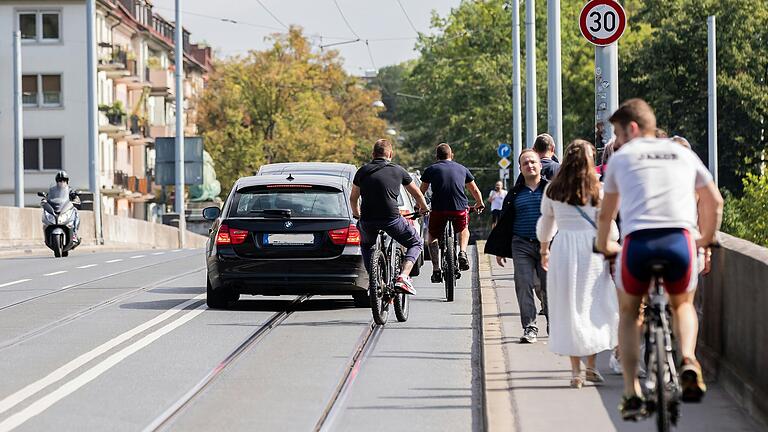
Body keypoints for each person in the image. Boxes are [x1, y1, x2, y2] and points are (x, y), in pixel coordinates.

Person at [595, 99, 723, 420]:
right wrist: (705, 239)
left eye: (618, 133)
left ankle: (630, 391)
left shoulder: (622, 158)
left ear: (633, 128)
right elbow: (714, 202)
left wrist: (604, 246)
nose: (618, 141)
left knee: (629, 312)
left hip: (638, 244)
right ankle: (690, 361)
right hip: (679, 242)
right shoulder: (683, 153)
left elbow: (606, 214)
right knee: (682, 305)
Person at [537, 139, 619, 388]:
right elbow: (610, 226)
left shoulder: (552, 189)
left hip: (563, 247)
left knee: (570, 306)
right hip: (592, 249)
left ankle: (576, 371)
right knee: (593, 305)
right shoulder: (598, 189)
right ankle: (591, 366)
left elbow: (546, 224)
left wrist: (544, 250)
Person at [485, 149, 549, 343]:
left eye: (533, 162)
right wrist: (499, 249)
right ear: (521, 168)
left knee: (549, 287)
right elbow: (505, 222)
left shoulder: (551, 190)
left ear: (540, 165)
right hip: (521, 244)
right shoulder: (514, 193)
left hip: (548, 246)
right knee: (523, 284)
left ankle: (554, 326)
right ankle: (530, 327)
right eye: (525, 163)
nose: (529, 165)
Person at [350, 139, 429, 295]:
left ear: (373, 155)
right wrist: (424, 209)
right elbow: (417, 194)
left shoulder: (362, 171)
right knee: (416, 242)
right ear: (391, 154)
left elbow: (353, 198)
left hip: (368, 219)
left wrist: (357, 215)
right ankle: (404, 277)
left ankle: (374, 279)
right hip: (391, 218)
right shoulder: (398, 170)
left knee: (366, 245)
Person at [420, 143, 484, 282]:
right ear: (452, 155)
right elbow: (474, 190)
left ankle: (436, 269)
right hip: (459, 208)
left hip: (438, 210)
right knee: (463, 229)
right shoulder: (462, 169)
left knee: (432, 236)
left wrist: (419, 206)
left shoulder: (431, 169)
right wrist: (479, 203)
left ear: (436, 156)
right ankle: (462, 252)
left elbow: (421, 192)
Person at [48, 171, 81, 242]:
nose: (62, 182)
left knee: (75, 212)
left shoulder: (70, 190)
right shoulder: (52, 190)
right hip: (56, 209)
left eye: (64, 180)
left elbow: (76, 198)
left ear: (67, 181)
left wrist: (75, 198)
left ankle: (74, 233)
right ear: (57, 181)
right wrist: (44, 200)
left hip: (66, 209)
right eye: (60, 180)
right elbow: (48, 197)